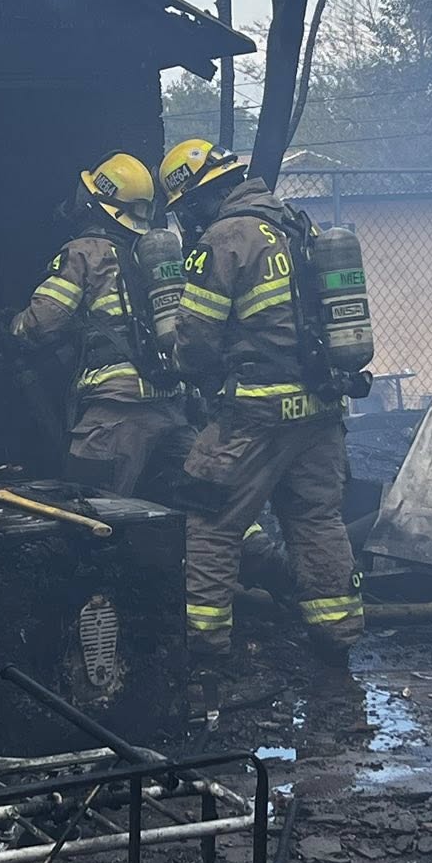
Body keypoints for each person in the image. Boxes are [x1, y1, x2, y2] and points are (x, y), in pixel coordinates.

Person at [157, 138, 363, 672]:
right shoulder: (300, 226)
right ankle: (335, 636)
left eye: (185, 208)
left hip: (254, 412)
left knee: (209, 520)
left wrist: (183, 369)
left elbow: (197, 339)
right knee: (316, 519)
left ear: (202, 197)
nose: (186, 220)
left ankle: (203, 648)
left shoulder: (225, 238)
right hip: (319, 408)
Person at [9, 152, 188, 498]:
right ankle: (256, 548)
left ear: (95, 204)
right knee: (201, 509)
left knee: (89, 509)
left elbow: (42, 322)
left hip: (115, 413)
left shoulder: (83, 252)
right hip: (169, 406)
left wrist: (8, 329)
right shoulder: (147, 254)